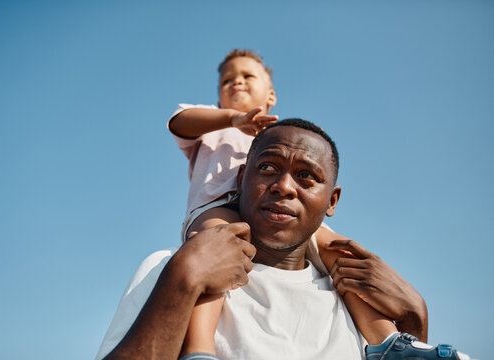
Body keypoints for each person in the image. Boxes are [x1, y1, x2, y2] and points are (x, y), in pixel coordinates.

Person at [95, 119, 465, 359]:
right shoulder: (169, 270)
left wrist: (415, 321)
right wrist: (182, 279)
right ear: (240, 181)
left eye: (306, 176)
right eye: (268, 167)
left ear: (332, 201)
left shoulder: (356, 301)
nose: (284, 187)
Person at [166, 49, 428, 358]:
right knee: (211, 254)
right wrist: (233, 118)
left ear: (271, 95)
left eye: (248, 76)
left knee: (341, 253)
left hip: (280, 209)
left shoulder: (280, 136)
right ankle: (199, 349)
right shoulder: (213, 126)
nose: (236, 82)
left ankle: (387, 342)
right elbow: (179, 122)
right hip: (218, 206)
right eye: (227, 79)